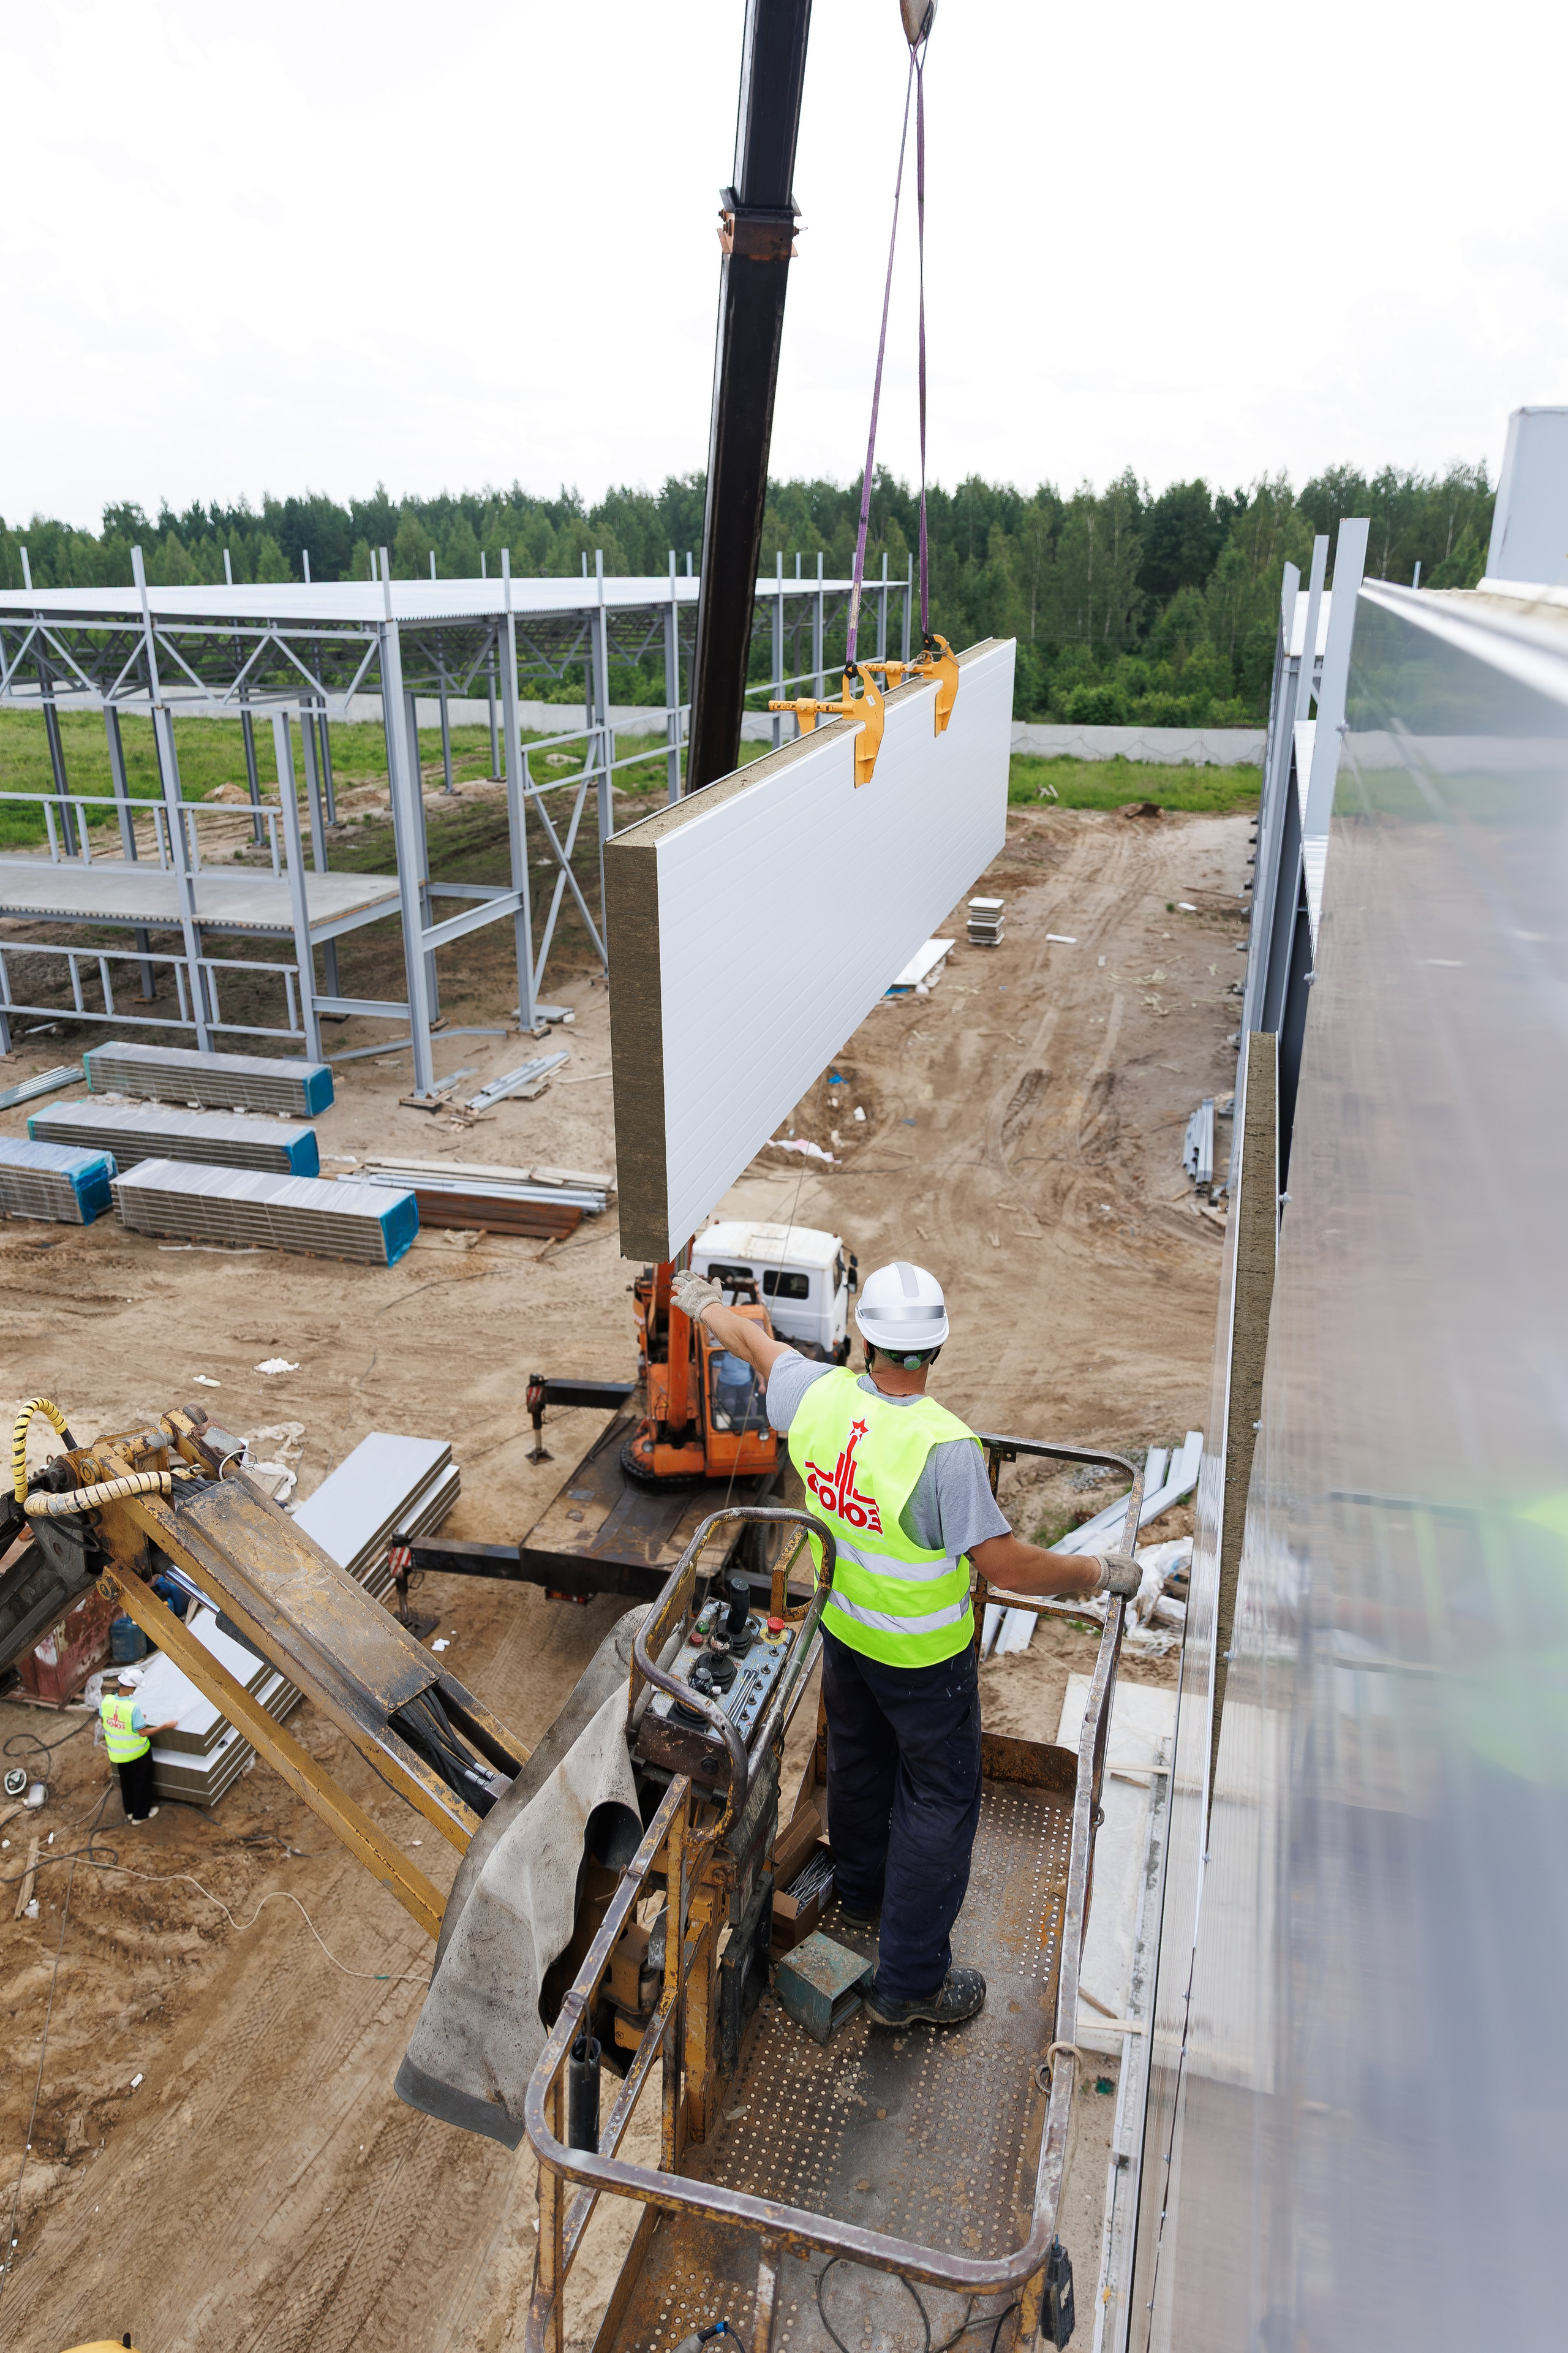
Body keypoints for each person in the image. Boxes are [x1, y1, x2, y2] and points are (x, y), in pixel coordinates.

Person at [672, 1258, 1142, 2032]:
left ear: (864, 1340)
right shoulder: (943, 1448)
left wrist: (706, 1307)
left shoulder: (817, 1396)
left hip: (847, 1635)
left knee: (859, 1760)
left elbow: (756, 1348)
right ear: (936, 1351)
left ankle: (861, 1887)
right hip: (923, 1662)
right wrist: (1096, 1571)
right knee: (938, 1799)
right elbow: (1005, 1563)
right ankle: (911, 1984)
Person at [99, 1671, 178, 1824]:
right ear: (130, 1688)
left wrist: (136, 1721)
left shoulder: (107, 1701)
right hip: (137, 1753)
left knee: (127, 1783)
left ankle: (130, 1812)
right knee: (141, 1783)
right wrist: (165, 1726)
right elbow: (144, 1733)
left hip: (117, 1754)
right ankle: (140, 1816)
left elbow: (108, 1719)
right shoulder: (132, 1708)